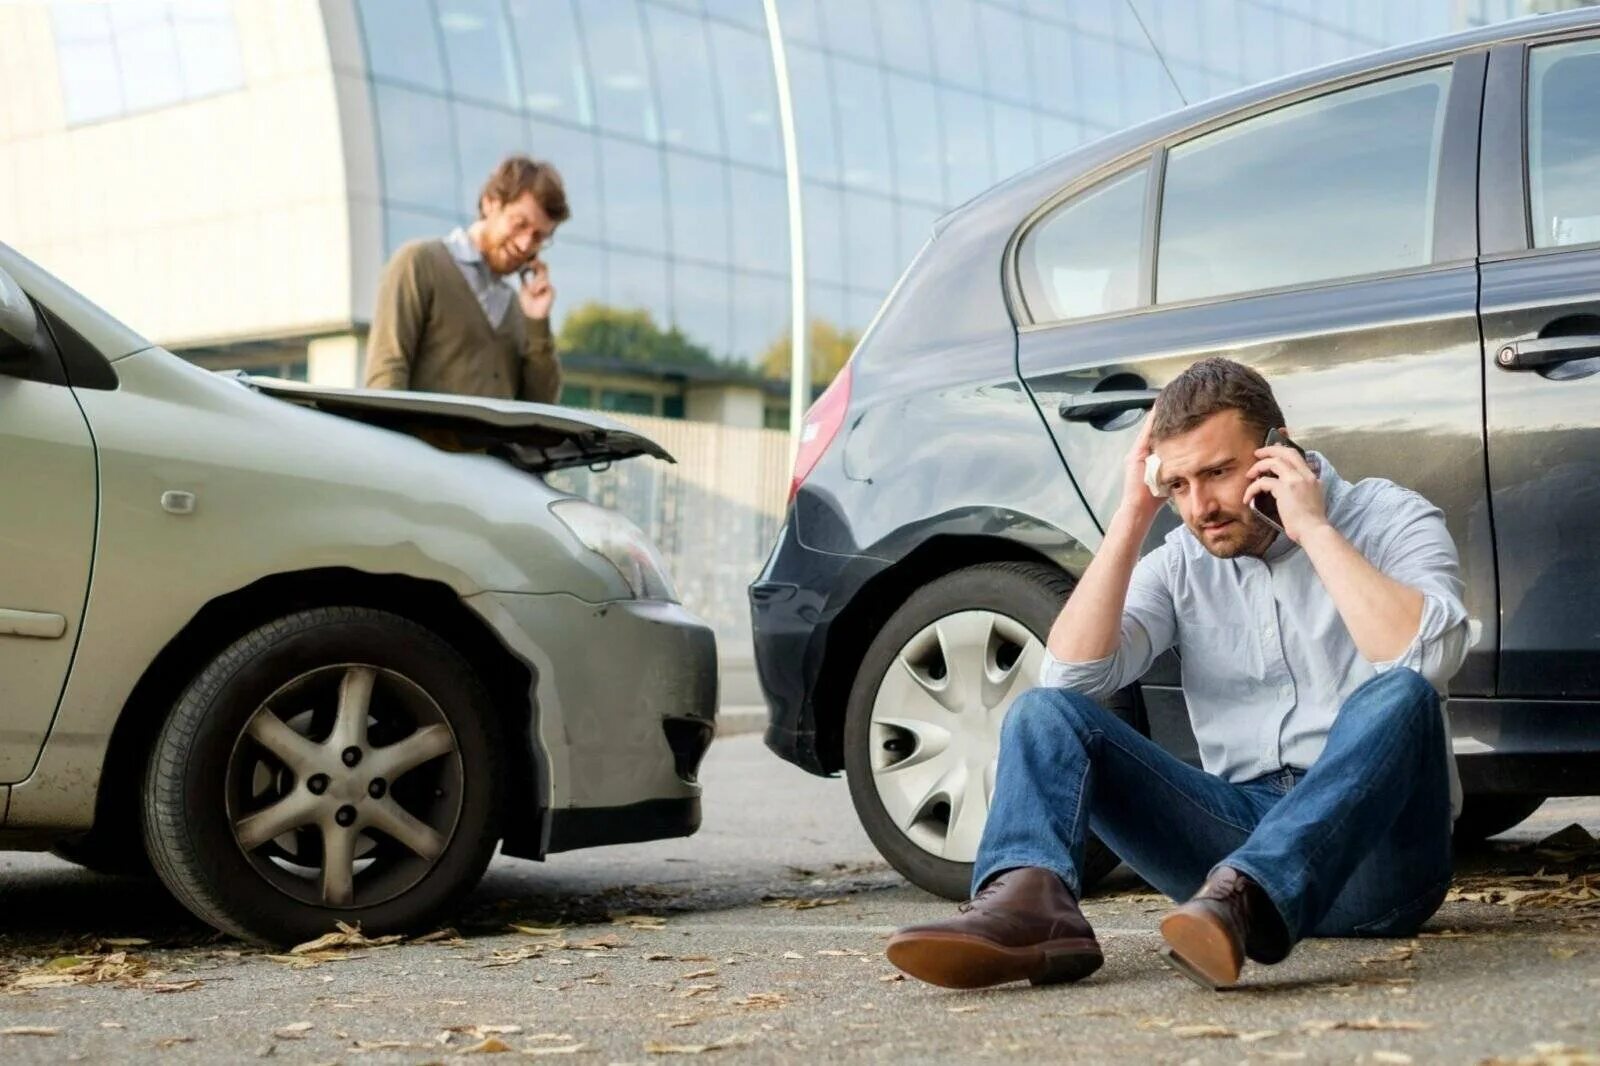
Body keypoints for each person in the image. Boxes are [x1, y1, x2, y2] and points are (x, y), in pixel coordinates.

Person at [886, 357, 1469, 992]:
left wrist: (1313, 530)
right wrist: (1132, 514)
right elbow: (1072, 677)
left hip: (1373, 857)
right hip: (1227, 857)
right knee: (1042, 711)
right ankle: (1033, 910)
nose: (1201, 507)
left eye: (1218, 473)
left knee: (1401, 692)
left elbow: (1426, 657)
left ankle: (1253, 898)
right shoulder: (1182, 561)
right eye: (1180, 484)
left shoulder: (1388, 517)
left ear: (1279, 449)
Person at [365, 154, 567, 402]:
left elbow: (541, 405)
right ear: (490, 203)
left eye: (538, 237)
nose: (526, 244)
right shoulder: (419, 263)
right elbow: (386, 375)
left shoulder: (518, 307)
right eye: (519, 224)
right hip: (418, 441)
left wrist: (537, 322)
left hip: (497, 443)